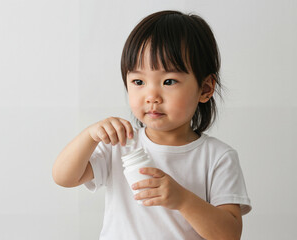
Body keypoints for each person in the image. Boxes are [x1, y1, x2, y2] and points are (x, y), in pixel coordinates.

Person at [52, 10, 251, 240]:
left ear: (205, 89)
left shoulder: (218, 156)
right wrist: (90, 136)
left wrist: (183, 199)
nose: (151, 95)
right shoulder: (122, 143)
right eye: (138, 81)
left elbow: (229, 235)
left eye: (169, 81)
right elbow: (64, 177)